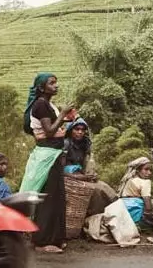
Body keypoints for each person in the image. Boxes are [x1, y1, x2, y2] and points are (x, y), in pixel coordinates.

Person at [19, 72, 73, 254]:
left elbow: (54, 126)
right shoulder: (41, 104)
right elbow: (49, 131)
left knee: (57, 197)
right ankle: (42, 241)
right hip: (46, 155)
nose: (56, 86)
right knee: (48, 198)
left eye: (56, 82)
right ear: (42, 88)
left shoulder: (48, 104)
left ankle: (56, 238)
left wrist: (66, 119)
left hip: (54, 154)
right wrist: (64, 113)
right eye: (52, 83)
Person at [63, 118, 117, 216]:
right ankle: (92, 216)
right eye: (77, 129)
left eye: (83, 130)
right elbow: (59, 169)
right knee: (96, 190)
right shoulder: (65, 144)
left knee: (104, 187)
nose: (80, 132)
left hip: (80, 176)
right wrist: (78, 177)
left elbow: (85, 166)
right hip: (68, 178)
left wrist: (91, 175)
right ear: (71, 130)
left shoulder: (84, 144)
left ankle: (110, 212)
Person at [118, 157, 153, 223]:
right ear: (138, 170)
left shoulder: (128, 180)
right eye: (146, 169)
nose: (149, 173)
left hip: (122, 211)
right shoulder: (145, 182)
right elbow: (148, 204)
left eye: (150, 170)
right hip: (135, 213)